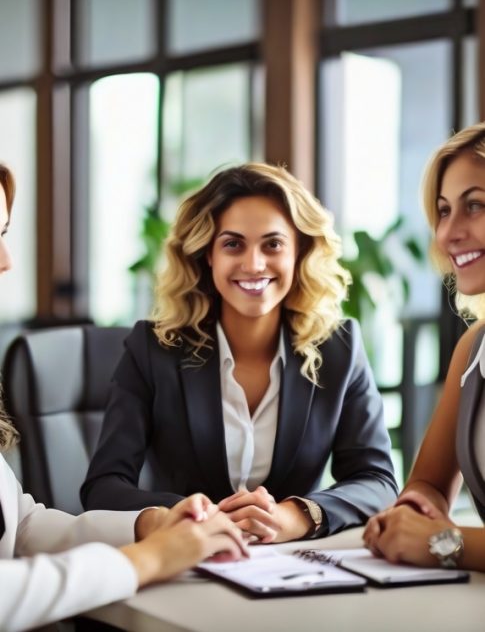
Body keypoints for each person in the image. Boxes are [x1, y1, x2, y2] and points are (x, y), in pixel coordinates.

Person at [81, 162, 398, 543]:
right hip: (186, 563)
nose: (253, 264)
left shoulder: (339, 348)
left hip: (294, 569)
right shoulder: (153, 350)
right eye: (233, 244)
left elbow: (377, 481)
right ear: (207, 254)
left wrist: (297, 515)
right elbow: (103, 487)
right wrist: (192, 516)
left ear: (299, 251)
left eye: (273, 244)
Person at [0, 163, 247, 632]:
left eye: (5, 232)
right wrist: (142, 561)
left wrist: (145, 525)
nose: (7, 260)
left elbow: (21, 527)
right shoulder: (151, 352)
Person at [363, 122, 485, 572]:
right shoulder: (473, 350)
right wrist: (413, 510)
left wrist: (442, 543)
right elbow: (429, 483)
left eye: (475, 205)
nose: (448, 233)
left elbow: (444, 542)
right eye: (443, 210)